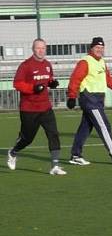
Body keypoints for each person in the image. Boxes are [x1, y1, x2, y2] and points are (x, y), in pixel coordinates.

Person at [66, 37, 112, 166]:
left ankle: (75, 155)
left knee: (85, 128)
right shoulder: (85, 62)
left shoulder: (102, 62)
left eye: (101, 48)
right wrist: (72, 96)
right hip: (90, 99)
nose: (99, 50)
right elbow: (75, 79)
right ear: (92, 48)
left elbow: (107, 79)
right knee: (104, 125)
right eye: (97, 48)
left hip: (98, 100)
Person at [7, 39, 67, 175]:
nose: (41, 51)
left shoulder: (47, 64)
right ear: (33, 49)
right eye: (38, 48)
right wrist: (33, 88)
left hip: (45, 107)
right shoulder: (25, 65)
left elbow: (49, 78)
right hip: (29, 109)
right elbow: (17, 84)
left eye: (43, 48)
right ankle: (13, 152)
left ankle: (55, 166)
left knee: (53, 133)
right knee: (27, 139)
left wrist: (52, 83)